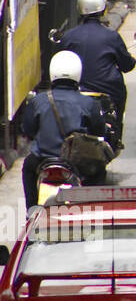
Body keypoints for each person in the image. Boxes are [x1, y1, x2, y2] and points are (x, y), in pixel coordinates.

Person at [20, 51, 107, 210]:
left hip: (42, 161)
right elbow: (99, 132)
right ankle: (93, 212)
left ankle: (31, 212)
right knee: (99, 171)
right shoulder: (88, 103)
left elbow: (28, 130)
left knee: (28, 167)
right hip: (76, 163)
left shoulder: (38, 101)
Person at [57, 0, 136, 145]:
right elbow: (126, 66)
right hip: (109, 91)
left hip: (77, 89)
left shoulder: (69, 36)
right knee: (121, 97)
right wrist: (132, 61)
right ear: (102, 9)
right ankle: (116, 136)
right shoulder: (112, 36)